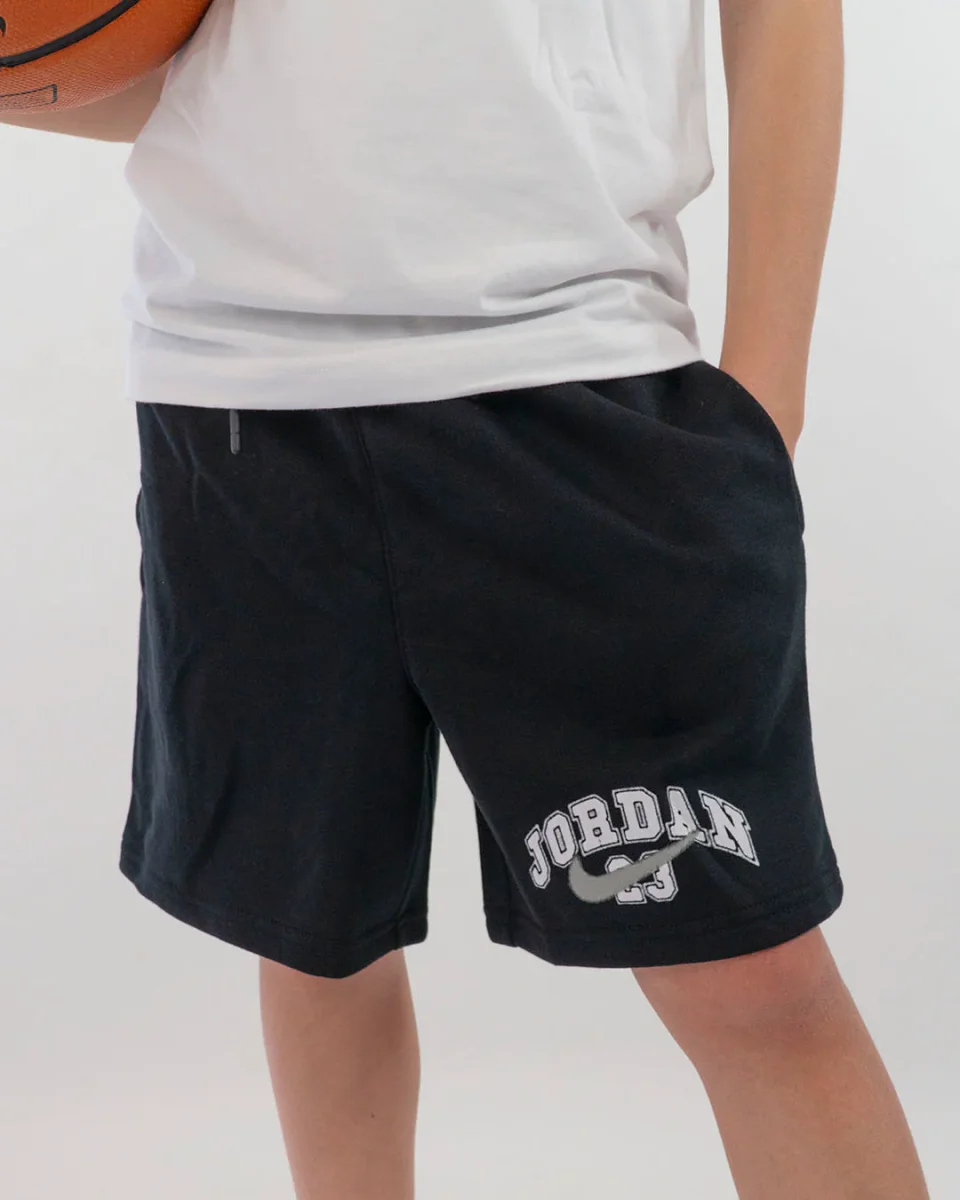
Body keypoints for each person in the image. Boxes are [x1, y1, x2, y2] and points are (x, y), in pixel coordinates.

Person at [3, 2, 930, 1196]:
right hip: (238, 390)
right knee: (315, 945)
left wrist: (769, 385)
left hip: (580, 364)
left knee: (756, 974)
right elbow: (166, 53)